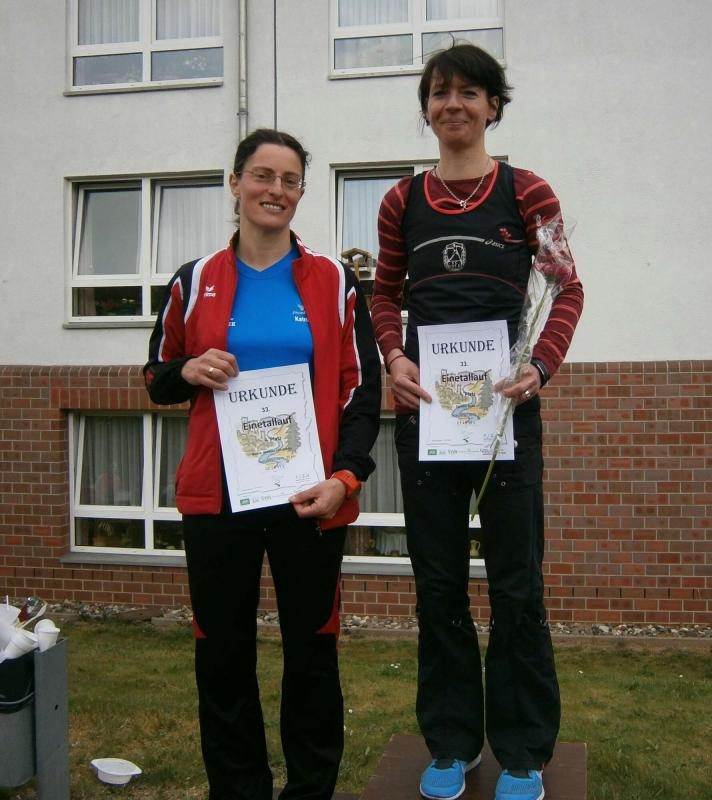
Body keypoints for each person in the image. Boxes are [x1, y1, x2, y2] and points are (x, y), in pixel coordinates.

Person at [371, 45, 584, 800]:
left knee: (517, 588)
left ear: (494, 105)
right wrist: (394, 356)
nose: (452, 104)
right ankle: (452, 744)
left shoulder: (528, 192)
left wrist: (541, 368)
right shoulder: (401, 201)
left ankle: (522, 751)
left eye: (469, 92)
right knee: (438, 588)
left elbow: (567, 288)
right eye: (439, 93)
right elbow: (383, 294)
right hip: (426, 421)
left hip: (506, 420)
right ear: (426, 109)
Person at [144, 128, 381, 800]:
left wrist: (345, 479)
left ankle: (310, 790)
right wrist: (189, 368)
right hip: (217, 499)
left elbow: (362, 391)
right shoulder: (193, 280)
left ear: (301, 192)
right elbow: (156, 376)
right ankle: (239, 790)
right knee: (222, 656)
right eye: (262, 175)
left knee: (313, 652)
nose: (275, 190)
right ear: (236, 183)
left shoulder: (334, 281)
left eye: (289, 180)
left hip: (310, 495)